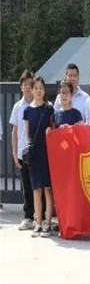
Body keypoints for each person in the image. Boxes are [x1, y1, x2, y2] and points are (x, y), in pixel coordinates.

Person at [22, 77, 55, 237]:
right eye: (36, 88)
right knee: (36, 190)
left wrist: (51, 131)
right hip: (35, 154)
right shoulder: (27, 111)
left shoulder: (49, 109)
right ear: (31, 89)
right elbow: (27, 134)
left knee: (47, 189)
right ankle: (38, 223)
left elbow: (54, 130)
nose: (39, 91)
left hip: (47, 153)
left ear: (44, 90)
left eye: (41, 88)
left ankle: (47, 224)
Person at [9, 70, 36, 230]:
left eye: (30, 84)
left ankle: (39, 216)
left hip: (37, 153)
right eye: (25, 84)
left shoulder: (39, 104)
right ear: (21, 87)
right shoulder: (17, 107)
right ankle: (27, 217)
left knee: (38, 185)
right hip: (22, 152)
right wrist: (14, 153)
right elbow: (14, 131)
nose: (27, 87)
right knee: (26, 186)